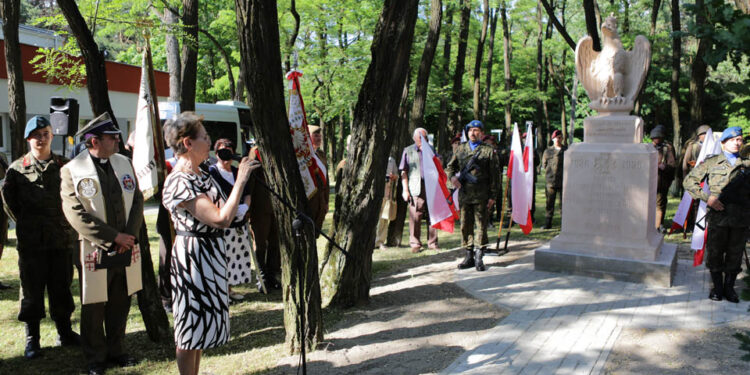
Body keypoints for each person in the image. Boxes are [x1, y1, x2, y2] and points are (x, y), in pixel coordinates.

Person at [161, 112, 260, 375]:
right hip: (193, 259)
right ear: (187, 143)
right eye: (205, 137)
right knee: (189, 327)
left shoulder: (201, 174)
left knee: (201, 328)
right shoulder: (180, 180)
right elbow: (220, 218)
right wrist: (240, 181)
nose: (210, 141)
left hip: (211, 254)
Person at [60, 113, 144, 375]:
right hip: (94, 249)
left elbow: (138, 200)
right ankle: (95, 357)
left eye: (117, 136)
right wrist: (113, 237)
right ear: (94, 141)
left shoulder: (124, 163)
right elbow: (75, 213)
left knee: (121, 300)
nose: (117, 140)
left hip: (126, 246)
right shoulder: (72, 170)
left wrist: (128, 236)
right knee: (94, 304)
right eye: (112, 137)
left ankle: (117, 350)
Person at [1, 116, 80, 359]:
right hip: (32, 243)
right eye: (36, 135)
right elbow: (9, 204)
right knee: (31, 291)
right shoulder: (16, 169)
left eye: (45, 133)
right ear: (28, 138)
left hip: (61, 240)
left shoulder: (65, 165)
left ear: (51, 136)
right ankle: (32, 339)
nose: (41, 138)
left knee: (61, 288)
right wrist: (29, 224)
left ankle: (64, 332)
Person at [683, 126, 749, 303]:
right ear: (723, 143)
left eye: (739, 140)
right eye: (733, 140)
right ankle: (717, 287)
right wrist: (707, 198)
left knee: (735, 254)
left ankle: (729, 288)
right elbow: (689, 182)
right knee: (715, 253)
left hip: (740, 218)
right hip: (718, 217)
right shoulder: (712, 162)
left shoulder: (746, 164)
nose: (737, 142)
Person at [446, 120, 500, 271]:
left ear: (481, 133)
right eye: (470, 130)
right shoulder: (461, 149)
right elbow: (450, 168)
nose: (473, 133)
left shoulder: (488, 151)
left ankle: (479, 256)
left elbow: (495, 176)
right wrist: (452, 178)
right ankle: (469, 255)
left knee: (481, 225)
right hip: (464, 194)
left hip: (482, 194)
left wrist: (493, 196)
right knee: (465, 225)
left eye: (476, 130)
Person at [208, 139, 253, 301]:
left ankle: (229, 289)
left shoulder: (237, 171)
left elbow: (247, 193)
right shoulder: (211, 172)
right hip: (222, 220)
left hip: (239, 221)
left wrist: (244, 208)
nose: (225, 154)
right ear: (216, 153)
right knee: (222, 256)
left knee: (234, 256)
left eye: (229, 149)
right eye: (222, 150)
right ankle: (221, 291)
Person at [247, 145, 282, 293]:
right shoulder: (256, 151)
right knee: (260, 244)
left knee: (276, 243)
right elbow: (250, 180)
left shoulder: (282, 146)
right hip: (260, 207)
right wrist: (248, 207)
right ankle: (261, 278)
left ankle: (272, 275)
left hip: (278, 207)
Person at [399, 128, 439, 253]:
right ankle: (415, 243)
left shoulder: (431, 150)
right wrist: (405, 190)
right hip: (416, 187)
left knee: (433, 216)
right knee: (415, 215)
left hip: (431, 187)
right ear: (414, 138)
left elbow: (439, 166)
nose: (422, 140)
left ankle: (433, 243)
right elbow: (403, 172)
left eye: (424, 137)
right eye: (419, 137)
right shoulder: (408, 151)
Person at [650, 125, 676, 232]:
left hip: (661, 182)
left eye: (658, 137)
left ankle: (659, 225)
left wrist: (664, 167)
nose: (656, 139)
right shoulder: (647, 147)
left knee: (660, 204)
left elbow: (672, 165)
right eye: (654, 138)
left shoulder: (667, 148)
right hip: (648, 182)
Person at [540, 130, 566, 229]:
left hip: (563, 181)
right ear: (552, 139)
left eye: (560, 137)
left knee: (563, 204)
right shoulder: (548, 151)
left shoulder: (566, 150)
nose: (558, 139)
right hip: (551, 181)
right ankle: (548, 223)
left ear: (562, 138)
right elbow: (544, 164)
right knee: (549, 203)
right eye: (556, 138)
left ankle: (564, 224)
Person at [307, 125, 330, 234]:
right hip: (310, 199)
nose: (319, 138)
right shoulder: (304, 156)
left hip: (321, 199)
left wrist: (326, 201)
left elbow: (327, 180)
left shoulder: (321, 155)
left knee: (316, 231)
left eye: (320, 135)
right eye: (316, 135)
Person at [375, 156, 399, 250]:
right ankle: (373, 241)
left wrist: (393, 176)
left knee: (384, 218)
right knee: (377, 218)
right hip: (375, 193)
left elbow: (397, 175)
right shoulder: (374, 157)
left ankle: (380, 242)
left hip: (387, 193)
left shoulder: (391, 160)